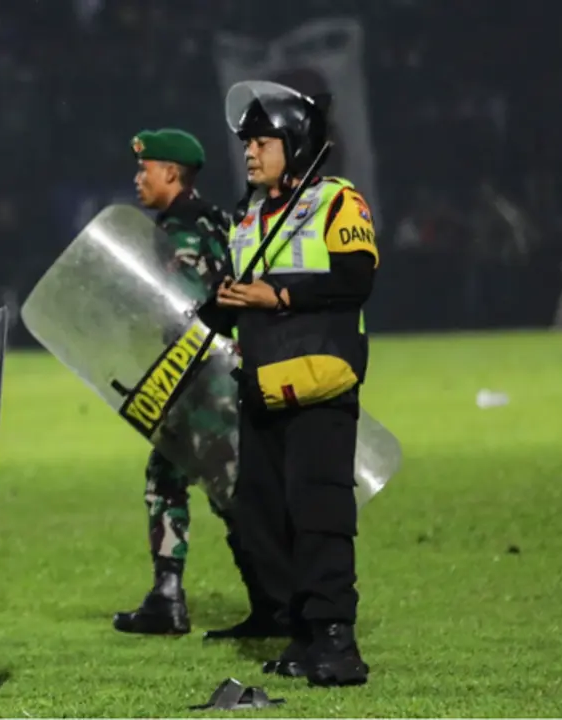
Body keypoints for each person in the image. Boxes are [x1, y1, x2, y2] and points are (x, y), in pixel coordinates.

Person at [212, 81, 377, 687]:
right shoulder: (248, 215)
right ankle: (304, 634)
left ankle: (337, 641)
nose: (250, 152)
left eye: (262, 141)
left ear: (296, 143)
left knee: (319, 512)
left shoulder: (338, 202)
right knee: (263, 514)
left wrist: (274, 294)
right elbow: (243, 293)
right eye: (247, 143)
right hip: (260, 388)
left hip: (321, 385)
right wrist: (224, 305)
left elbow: (355, 280)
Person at [113, 129, 288, 640]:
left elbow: (185, 303)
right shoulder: (211, 217)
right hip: (205, 376)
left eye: (145, 170)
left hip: (199, 381)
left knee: (231, 491)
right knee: (168, 476)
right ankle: (169, 599)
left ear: (171, 172)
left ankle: (278, 601)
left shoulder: (184, 228)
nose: (137, 179)